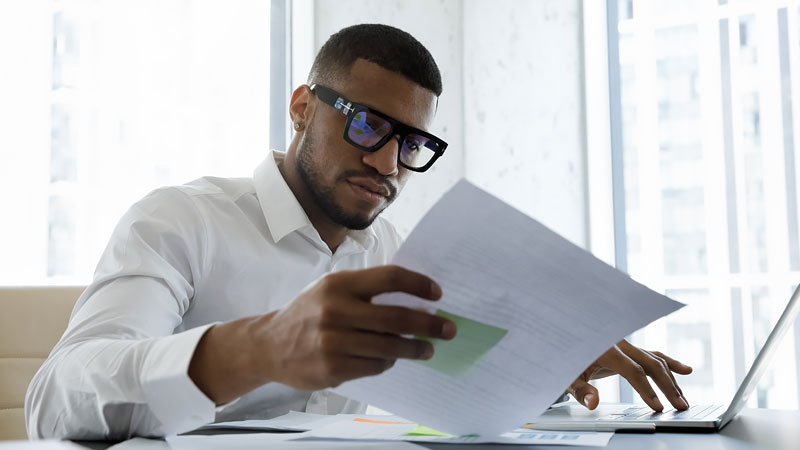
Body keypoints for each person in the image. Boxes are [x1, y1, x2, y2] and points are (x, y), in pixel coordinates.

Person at [25, 24, 692, 440]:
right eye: (368, 125)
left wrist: (548, 363)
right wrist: (259, 348)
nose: (387, 163)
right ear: (301, 108)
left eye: (412, 144)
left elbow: (447, 377)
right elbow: (54, 402)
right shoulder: (179, 221)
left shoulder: (394, 252)